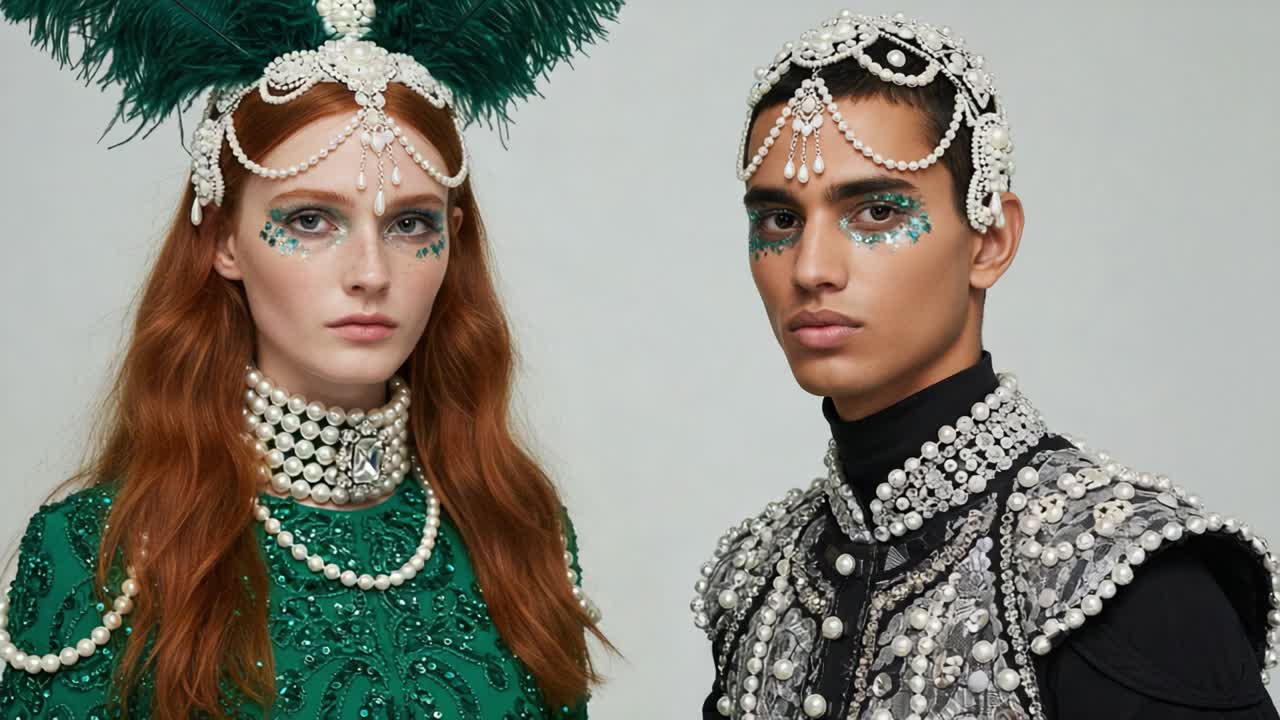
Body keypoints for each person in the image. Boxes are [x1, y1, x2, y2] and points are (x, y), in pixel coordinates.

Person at [0, 1, 620, 717]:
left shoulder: (519, 528)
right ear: (223, 240)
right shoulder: (102, 554)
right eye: (310, 220)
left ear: (452, 239)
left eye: (409, 223)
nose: (370, 272)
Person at [691, 10, 1280, 719]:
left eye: (876, 211)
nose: (811, 269)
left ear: (990, 242)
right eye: (780, 221)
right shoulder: (759, 572)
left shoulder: (1119, 577)